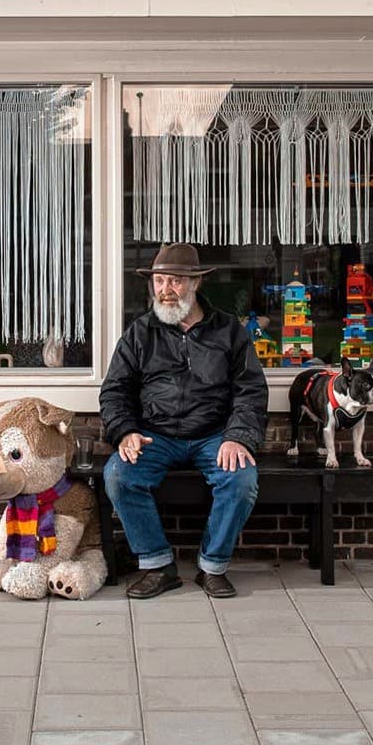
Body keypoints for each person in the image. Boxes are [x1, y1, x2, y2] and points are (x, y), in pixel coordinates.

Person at [100, 243, 267, 599]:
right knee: (118, 475)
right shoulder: (139, 333)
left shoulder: (229, 331)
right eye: (159, 281)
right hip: (154, 436)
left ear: (195, 284)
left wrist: (238, 437)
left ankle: (213, 567)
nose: (166, 290)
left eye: (175, 281)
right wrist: (125, 431)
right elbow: (115, 391)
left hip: (214, 435)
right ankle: (158, 565)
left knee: (241, 479)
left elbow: (250, 391)